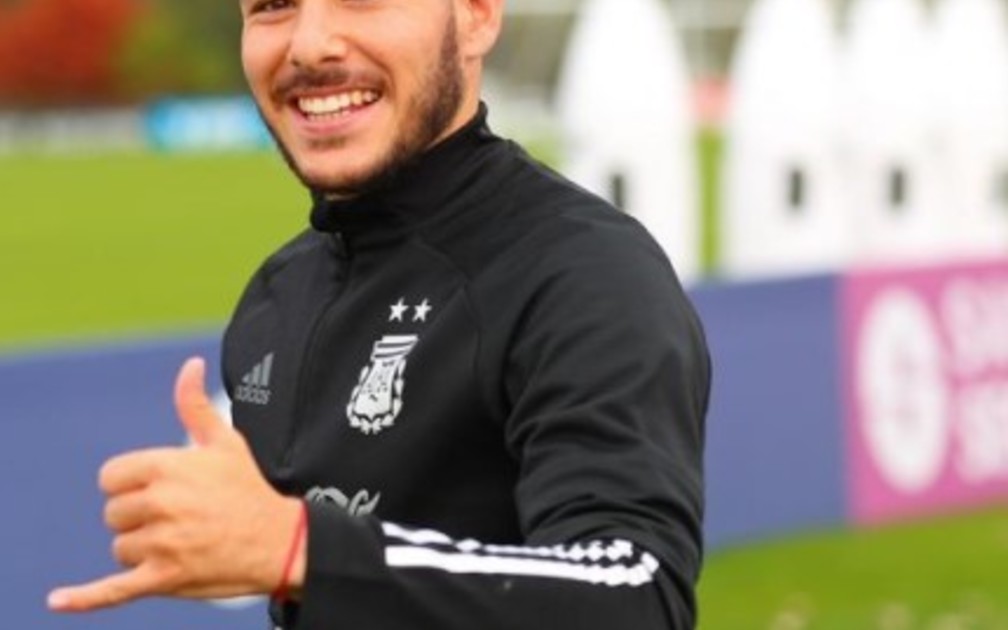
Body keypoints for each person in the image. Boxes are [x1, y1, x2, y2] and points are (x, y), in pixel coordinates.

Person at [48, 0, 711, 628]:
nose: (309, 45)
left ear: (476, 15)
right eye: (273, 5)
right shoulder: (278, 295)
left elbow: (637, 599)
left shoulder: (583, 271)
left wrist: (303, 550)